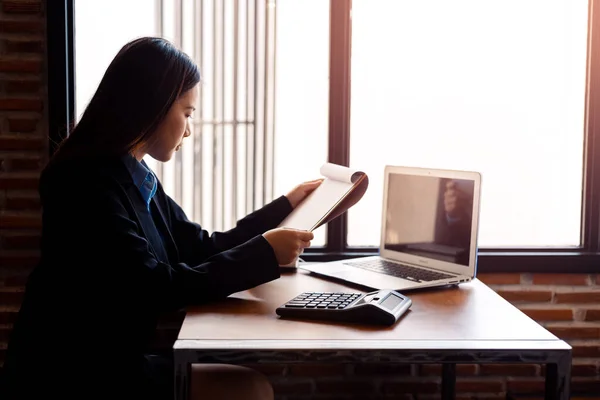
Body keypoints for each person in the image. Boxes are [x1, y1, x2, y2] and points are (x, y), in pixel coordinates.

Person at [1, 37, 320, 400]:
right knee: (249, 388)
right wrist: (264, 253)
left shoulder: (135, 175)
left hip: (110, 361)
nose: (188, 130)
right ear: (152, 105)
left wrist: (285, 206)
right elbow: (153, 287)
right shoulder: (85, 182)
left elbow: (201, 248)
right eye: (186, 113)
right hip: (73, 374)